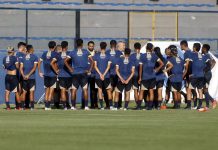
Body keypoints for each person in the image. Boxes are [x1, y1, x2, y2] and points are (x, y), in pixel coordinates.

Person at [64, 38, 94, 110]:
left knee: (74, 90)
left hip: (75, 74)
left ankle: (73, 106)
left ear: (76, 44)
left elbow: (65, 61)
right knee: (85, 90)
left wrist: (70, 69)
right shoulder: (86, 52)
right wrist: (89, 70)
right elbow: (92, 62)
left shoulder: (72, 52)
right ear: (82, 44)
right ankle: (86, 106)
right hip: (84, 73)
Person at [137, 43, 164, 110]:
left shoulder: (142, 56)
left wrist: (140, 77)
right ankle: (149, 107)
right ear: (151, 49)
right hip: (152, 76)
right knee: (151, 91)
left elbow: (140, 68)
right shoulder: (154, 55)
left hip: (145, 76)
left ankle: (139, 107)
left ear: (146, 48)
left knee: (142, 91)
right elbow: (162, 63)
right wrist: (157, 69)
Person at [51, 41, 72, 110]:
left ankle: (65, 106)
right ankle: (69, 105)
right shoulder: (69, 53)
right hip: (69, 75)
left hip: (61, 75)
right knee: (67, 91)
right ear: (67, 46)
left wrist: (56, 71)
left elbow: (52, 63)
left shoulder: (58, 54)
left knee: (62, 90)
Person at [38, 41, 58, 110]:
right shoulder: (55, 54)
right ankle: (48, 106)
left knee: (46, 90)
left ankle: (46, 106)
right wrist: (57, 72)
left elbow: (39, 62)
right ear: (55, 46)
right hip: (52, 75)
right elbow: (53, 64)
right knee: (51, 90)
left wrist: (40, 71)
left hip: (46, 75)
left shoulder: (44, 53)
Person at [189, 43, 209, 110]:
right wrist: (204, 71)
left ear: (194, 48)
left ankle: (192, 105)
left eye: (193, 47)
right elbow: (208, 65)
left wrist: (190, 73)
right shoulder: (203, 56)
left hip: (195, 75)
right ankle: (199, 106)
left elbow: (190, 65)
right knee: (200, 90)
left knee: (190, 89)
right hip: (201, 76)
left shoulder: (192, 55)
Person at [94, 42, 112, 110]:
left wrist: (100, 74)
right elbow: (108, 66)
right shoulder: (108, 56)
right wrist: (104, 74)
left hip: (98, 76)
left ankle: (101, 106)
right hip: (106, 76)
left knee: (100, 90)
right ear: (106, 47)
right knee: (108, 90)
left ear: (100, 47)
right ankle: (111, 106)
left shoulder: (96, 55)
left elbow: (95, 66)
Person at [19, 45, 38, 110]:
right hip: (31, 78)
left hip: (24, 78)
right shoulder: (35, 57)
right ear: (31, 49)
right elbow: (34, 67)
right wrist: (28, 75)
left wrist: (23, 75)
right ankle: (32, 107)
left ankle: (22, 107)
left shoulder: (23, 57)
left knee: (24, 92)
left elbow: (21, 68)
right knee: (31, 92)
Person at [180, 40, 197, 109]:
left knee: (189, 89)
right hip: (194, 73)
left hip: (189, 73)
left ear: (183, 45)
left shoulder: (186, 53)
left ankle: (189, 105)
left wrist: (184, 74)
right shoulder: (193, 52)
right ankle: (194, 105)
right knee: (192, 89)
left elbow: (187, 64)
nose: (180, 47)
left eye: (181, 45)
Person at [106, 40, 123, 108]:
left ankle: (109, 105)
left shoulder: (107, 53)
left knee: (109, 89)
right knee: (118, 90)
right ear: (116, 45)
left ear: (110, 45)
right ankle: (118, 105)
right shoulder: (119, 53)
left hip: (109, 74)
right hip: (118, 74)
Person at [202, 44, 217, 109]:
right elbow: (214, 62)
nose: (201, 49)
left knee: (204, 90)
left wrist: (207, 69)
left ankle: (212, 102)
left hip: (206, 74)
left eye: (202, 48)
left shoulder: (206, 55)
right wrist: (209, 69)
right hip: (208, 73)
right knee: (204, 90)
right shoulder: (208, 55)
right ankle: (210, 103)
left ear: (205, 49)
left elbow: (212, 62)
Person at [129, 42, 141, 107]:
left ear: (134, 48)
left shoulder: (131, 56)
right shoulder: (143, 55)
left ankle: (138, 105)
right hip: (142, 76)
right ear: (140, 48)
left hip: (134, 75)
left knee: (135, 90)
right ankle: (147, 105)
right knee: (142, 91)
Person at [87, 41, 98, 109]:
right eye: (90, 46)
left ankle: (95, 104)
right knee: (85, 90)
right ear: (88, 46)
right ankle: (84, 105)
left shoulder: (96, 53)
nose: (91, 47)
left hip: (94, 74)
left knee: (94, 90)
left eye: (92, 46)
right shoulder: (85, 53)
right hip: (86, 74)